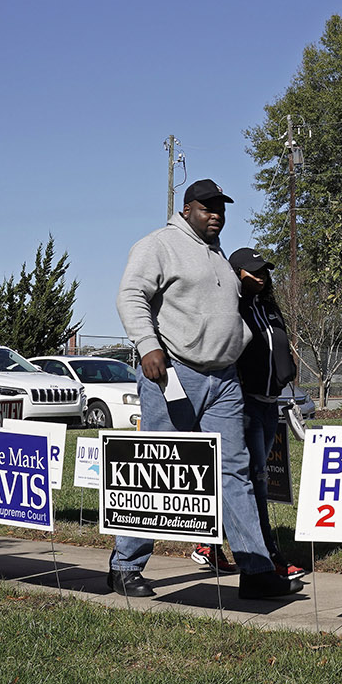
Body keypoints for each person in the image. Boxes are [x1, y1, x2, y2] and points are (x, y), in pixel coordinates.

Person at [109, 178, 302, 601]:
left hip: (224, 380)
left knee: (234, 473)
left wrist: (243, 286)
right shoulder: (158, 244)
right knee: (155, 472)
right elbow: (130, 295)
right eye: (208, 207)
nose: (217, 214)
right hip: (173, 374)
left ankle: (255, 569)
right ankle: (124, 565)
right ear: (187, 209)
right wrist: (147, 346)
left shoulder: (217, 258)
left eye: (222, 208)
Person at [190, 247, 306, 581]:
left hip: (271, 403)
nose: (260, 277)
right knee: (252, 480)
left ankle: (208, 545)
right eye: (252, 272)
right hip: (243, 406)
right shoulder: (232, 307)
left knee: (250, 480)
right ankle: (267, 558)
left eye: (264, 272)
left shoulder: (267, 306)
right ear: (235, 274)